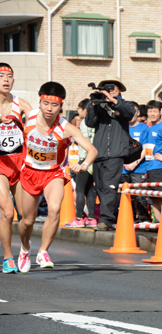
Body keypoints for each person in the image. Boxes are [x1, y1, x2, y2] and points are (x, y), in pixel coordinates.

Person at [18, 82, 98, 272]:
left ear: (61, 106)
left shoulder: (66, 127)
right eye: (45, 103)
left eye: (54, 105)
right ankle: (24, 248)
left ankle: (43, 251)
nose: (49, 108)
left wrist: (84, 164)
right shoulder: (29, 117)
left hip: (53, 173)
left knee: (54, 209)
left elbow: (92, 150)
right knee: (27, 220)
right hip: (29, 171)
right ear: (40, 101)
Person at [85, 75, 136, 231]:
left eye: (112, 88)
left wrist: (114, 101)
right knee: (100, 186)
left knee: (109, 185)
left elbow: (129, 113)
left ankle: (106, 220)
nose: (109, 91)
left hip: (116, 152)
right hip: (99, 152)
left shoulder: (124, 104)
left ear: (119, 89)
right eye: (105, 88)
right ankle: (110, 217)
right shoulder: (99, 105)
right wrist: (93, 104)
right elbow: (90, 122)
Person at [0, 63, 32, 273]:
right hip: (0, 164)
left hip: (19, 162)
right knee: (8, 212)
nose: (6, 79)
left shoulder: (20, 104)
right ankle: (8, 256)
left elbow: (36, 121)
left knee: (26, 216)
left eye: (10, 76)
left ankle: (24, 249)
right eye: (1, 75)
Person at [66, 99, 98, 228]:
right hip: (95, 160)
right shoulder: (96, 122)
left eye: (79, 109)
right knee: (90, 190)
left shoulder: (86, 122)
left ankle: (79, 218)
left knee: (79, 189)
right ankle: (91, 218)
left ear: (85, 110)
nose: (78, 112)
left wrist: (83, 162)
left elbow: (86, 143)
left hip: (85, 159)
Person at [120, 101, 151, 223]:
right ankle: (129, 219)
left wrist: (135, 162)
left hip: (139, 168)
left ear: (138, 113)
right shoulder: (121, 127)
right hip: (123, 168)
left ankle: (144, 219)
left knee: (140, 195)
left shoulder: (145, 128)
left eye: (133, 111)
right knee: (127, 196)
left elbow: (146, 147)